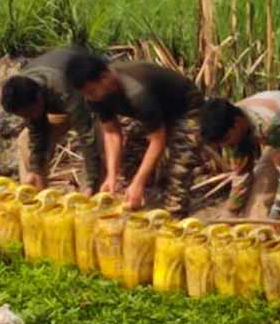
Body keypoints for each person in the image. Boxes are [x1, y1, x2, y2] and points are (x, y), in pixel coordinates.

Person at [65, 53, 203, 214]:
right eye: (85, 93)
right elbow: (111, 133)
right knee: (130, 155)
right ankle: (141, 195)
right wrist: (112, 175)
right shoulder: (96, 96)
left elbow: (158, 139)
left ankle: (173, 214)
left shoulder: (137, 92)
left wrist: (139, 181)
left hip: (186, 109)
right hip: (154, 111)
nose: (89, 97)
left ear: (105, 77)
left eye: (91, 91)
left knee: (179, 168)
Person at [199, 91, 280, 220]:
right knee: (255, 205)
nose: (226, 146)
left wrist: (276, 213)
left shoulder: (268, 124)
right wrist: (230, 212)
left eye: (226, 139)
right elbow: (241, 175)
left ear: (237, 123)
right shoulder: (232, 128)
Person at [0, 47, 103, 194]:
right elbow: (37, 132)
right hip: (62, 108)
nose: (28, 117)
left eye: (29, 112)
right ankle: (36, 196)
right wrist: (36, 169)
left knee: (98, 143)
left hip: (92, 103)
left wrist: (91, 183)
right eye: (24, 115)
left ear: (39, 97)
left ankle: (91, 198)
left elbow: (87, 134)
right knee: (25, 140)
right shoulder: (24, 89)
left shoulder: (63, 87)